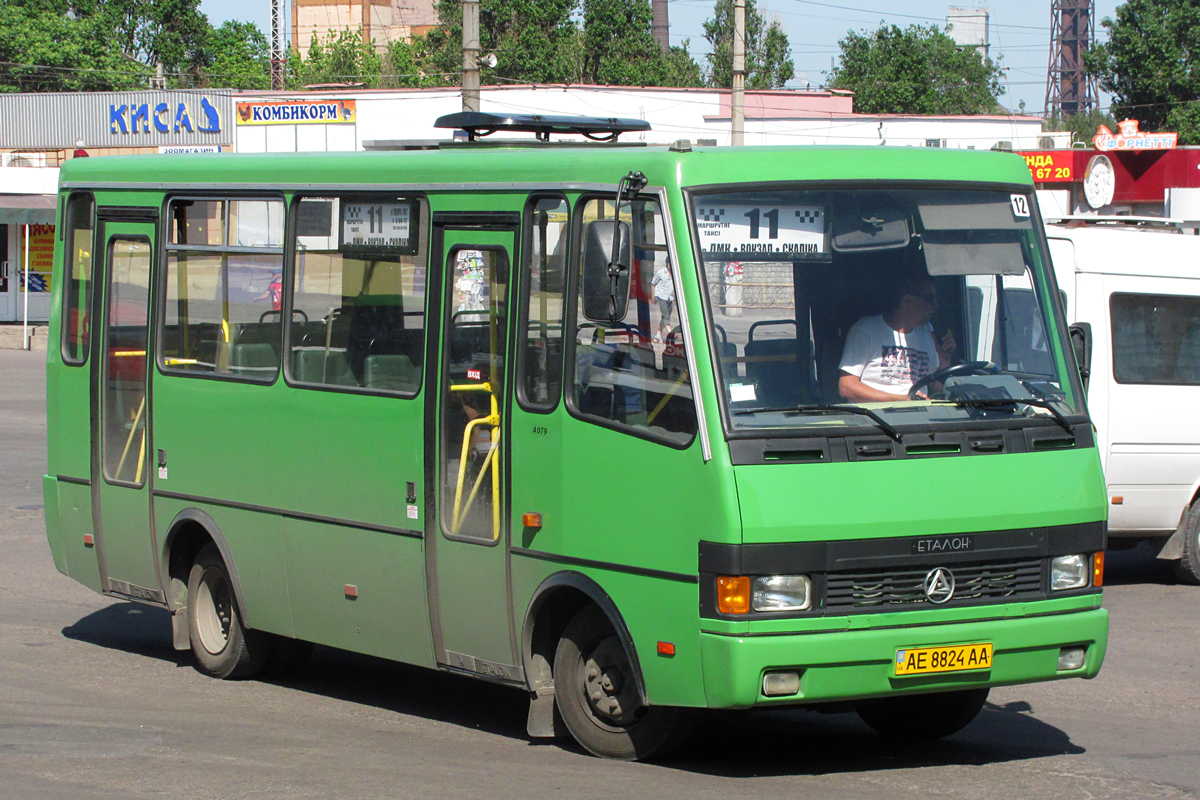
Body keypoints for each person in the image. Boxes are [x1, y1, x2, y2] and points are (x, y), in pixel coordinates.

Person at [838, 273, 956, 401]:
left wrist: (944, 362)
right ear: (907, 301)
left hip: (919, 416)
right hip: (875, 417)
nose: (936, 306)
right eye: (929, 299)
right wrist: (902, 400)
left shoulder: (928, 331)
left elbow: (937, 388)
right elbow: (846, 387)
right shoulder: (866, 330)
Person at [651, 260, 675, 342]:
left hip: (670, 297)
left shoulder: (675, 272)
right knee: (666, 316)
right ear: (668, 264)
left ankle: (658, 335)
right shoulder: (660, 272)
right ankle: (671, 334)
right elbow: (653, 284)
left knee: (665, 317)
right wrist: (653, 297)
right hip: (661, 296)